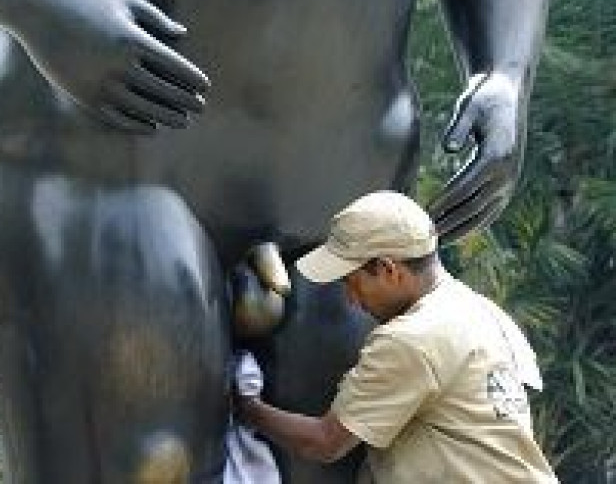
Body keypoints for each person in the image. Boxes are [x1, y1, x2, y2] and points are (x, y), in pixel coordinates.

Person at [0, 0, 551, 481]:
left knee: (341, 469)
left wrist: (505, 66)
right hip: (96, 145)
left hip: (339, 175)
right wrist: (38, 1)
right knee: (143, 466)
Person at [235, 191, 558, 483]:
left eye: (352, 281)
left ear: (388, 269)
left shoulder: (410, 339)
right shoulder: (483, 313)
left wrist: (244, 405)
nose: (351, 299)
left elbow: (324, 443)